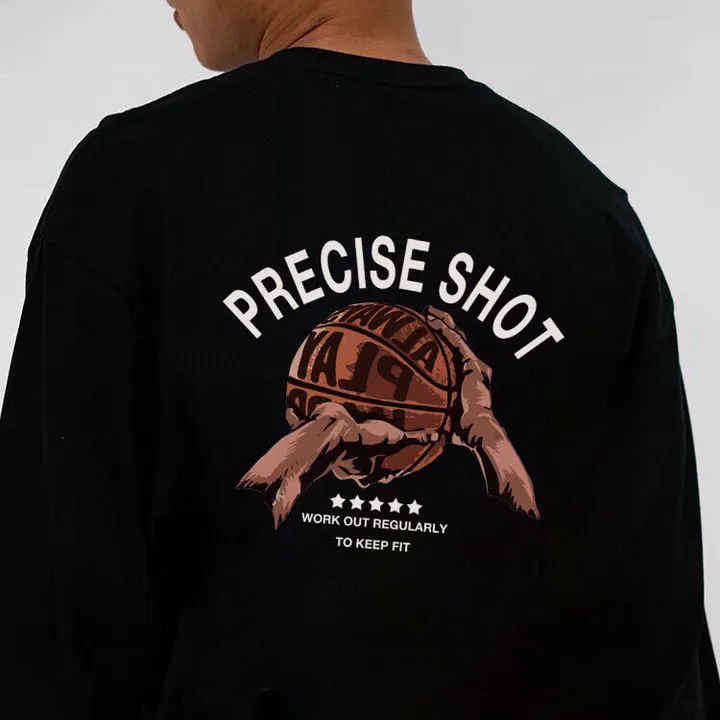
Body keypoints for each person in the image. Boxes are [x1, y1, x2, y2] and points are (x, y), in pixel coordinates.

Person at [1, 0, 717, 718]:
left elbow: (54, 629)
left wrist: (474, 434)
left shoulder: (132, 184)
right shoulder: (591, 220)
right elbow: (655, 652)